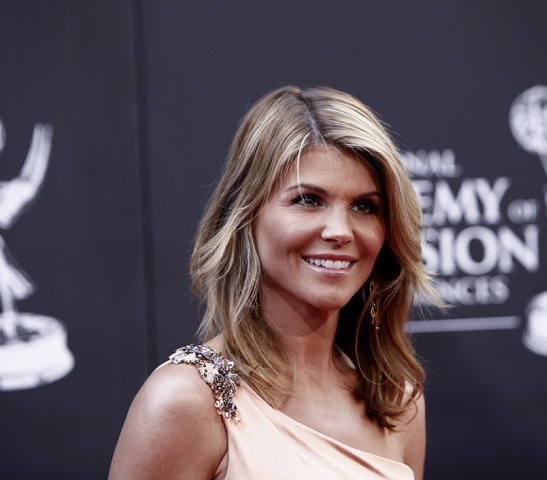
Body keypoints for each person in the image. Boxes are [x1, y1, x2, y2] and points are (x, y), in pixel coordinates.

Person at [109, 85, 439, 480]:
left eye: (364, 206)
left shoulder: (396, 400)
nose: (340, 230)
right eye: (308, 200)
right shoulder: (187, 401)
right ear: (246, 215)